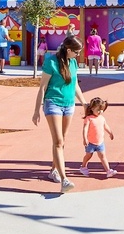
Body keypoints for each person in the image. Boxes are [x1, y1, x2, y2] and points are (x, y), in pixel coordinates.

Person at [31, 35, 87, 192]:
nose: (78, 54)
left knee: (62, 140)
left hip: (69, 105)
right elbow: (42, 87)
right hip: (53, 103)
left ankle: (53, 170)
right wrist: (36, 110)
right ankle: (64, 180)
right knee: (58, 141)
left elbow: (75, 84)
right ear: (69, 50)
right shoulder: (51, 62)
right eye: (77, 52)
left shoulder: (73, 62)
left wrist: (84, 102)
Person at [78, 97, 116, 178]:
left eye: (101, 109)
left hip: (100, 142)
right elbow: (85, 129)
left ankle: (108, 170)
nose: (100, 112)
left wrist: (110, 133)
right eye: (98, 109)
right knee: (88, 155)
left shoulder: (102, 118)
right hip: (91, 143)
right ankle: (83, 166)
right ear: (92, 109)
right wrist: (85, 138)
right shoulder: (89, 119)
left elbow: (105, 126)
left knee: (103, 156)